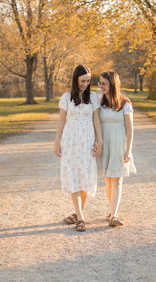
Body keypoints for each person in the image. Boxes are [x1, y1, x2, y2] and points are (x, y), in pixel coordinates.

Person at [54, 65, 102, 231]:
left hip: (88, 140)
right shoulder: (66, 97)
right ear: (75, 80)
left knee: (85, 175)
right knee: (73, 174)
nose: (86, 84)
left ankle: (76, 212)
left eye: (88, 81)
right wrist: (57, 140)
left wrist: (99, 140)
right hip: (71, 140)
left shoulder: (93, 97)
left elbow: (96, 119)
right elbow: (61, 120)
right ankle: (80, 217)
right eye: (83, 81)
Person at [96, 70, 136, 227]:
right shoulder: (99, 102)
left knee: (117, 179)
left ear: (112, 84)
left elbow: (130, 129)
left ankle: (114, 215)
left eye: (104, 83)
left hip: (119, 145)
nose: (101, 86)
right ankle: (113, 209)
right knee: (107, 179)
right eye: (100, 83)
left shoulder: (125, 103)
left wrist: (128, 150)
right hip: (105, 144)